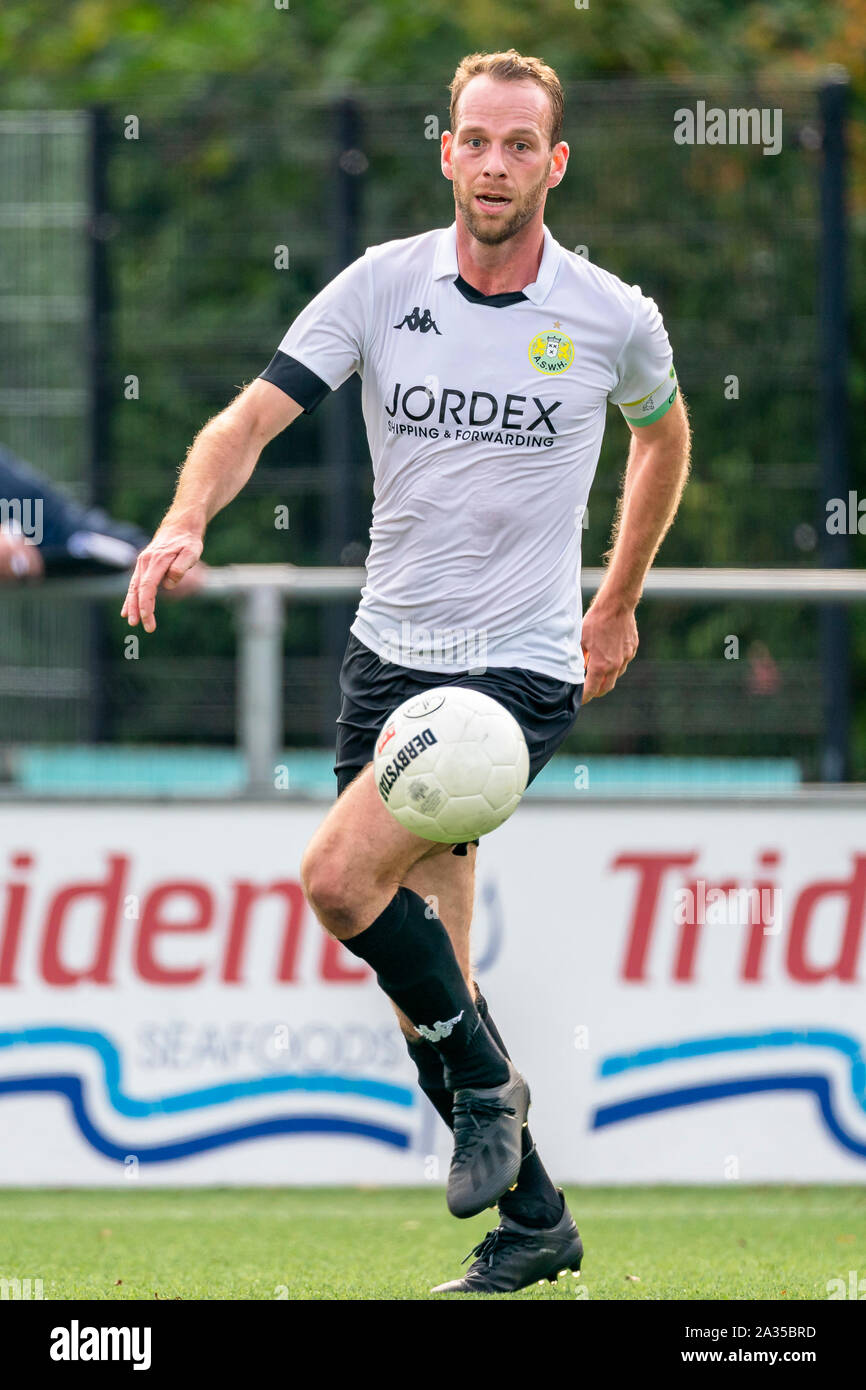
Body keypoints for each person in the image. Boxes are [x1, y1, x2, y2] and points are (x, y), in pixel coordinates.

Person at [122, 48, 691, 1295]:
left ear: (554, 162)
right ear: (445, 152)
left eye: (516, 145)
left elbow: (662, 437)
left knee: (334, 880)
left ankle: (490, 1091)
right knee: (425, 980)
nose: (492, 164)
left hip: (515, 677)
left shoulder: (608, 314)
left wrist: (617, 599)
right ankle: (535, 1216)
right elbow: (249, 419)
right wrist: (184, 518)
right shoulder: (382, 286)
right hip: (388, 665)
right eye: (472, 141)